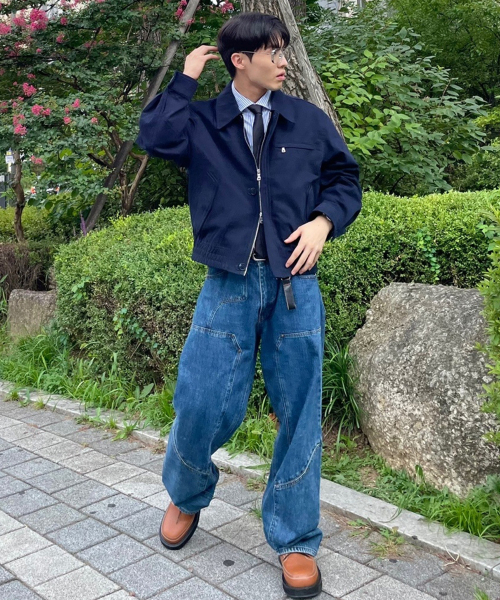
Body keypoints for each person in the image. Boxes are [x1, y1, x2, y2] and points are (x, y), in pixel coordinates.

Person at [136, 11, 362, 599]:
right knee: (201, 402)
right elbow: (153, 138)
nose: (283, 61)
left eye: (284, 50)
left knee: (299, 412)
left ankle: (296, 538)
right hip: (227, 284)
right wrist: (185, 79)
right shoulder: (202, 121)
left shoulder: (306, 120)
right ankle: (187, 494)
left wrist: (324, 221)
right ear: (240, 61)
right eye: (272, 52)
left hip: (295, 286)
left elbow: (345, 180)